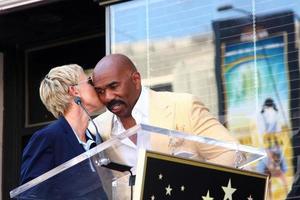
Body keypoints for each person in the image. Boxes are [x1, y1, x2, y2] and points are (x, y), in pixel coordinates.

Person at [91, 54, 238, 169]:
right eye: (100, 91)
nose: (108, 97)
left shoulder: (183, 107)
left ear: (136, 80)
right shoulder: (97, 129)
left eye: (114, 86)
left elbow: (230, 153)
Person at [20, 64, 107, 199]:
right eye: (90, 82)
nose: (96, 87)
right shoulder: (48, 138)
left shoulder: (96, 138)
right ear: (74, 91)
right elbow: (30, 196)